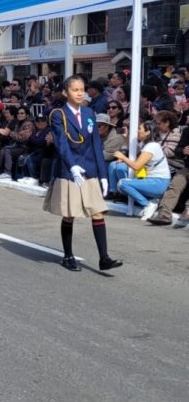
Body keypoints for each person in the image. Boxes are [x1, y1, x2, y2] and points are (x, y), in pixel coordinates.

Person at [43, 75, 123, 272]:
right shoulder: (58, 114)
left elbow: (96, 144)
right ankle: (68, 255)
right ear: (65, 93)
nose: (80, 93)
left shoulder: (89, 112)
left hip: (89, 169)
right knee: (70, 215)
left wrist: (103, 175)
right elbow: (61, 143)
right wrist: (71, 166)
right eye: (74, 90)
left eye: (82, 89)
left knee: (97, 212)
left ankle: (104, 258)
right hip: (70, 171)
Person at [108, 122, 172, 220]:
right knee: (116, 165)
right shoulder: (146, 144)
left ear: (147, 132)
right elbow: (134, 150)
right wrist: (126, 138)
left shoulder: (151, 147)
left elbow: (137, 166)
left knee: (122, 184)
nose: (137, 131)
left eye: (139, 128)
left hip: (158, 183)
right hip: (151, 179)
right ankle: (118, 194)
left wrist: (123, 157)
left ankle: (147, 204)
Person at [147, 125, 189, 225]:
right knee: (175, 184)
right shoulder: (187, 131)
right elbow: (177, 151)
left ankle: (188, 209)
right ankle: (164, 215)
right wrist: (183, 151)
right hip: (187, 168)